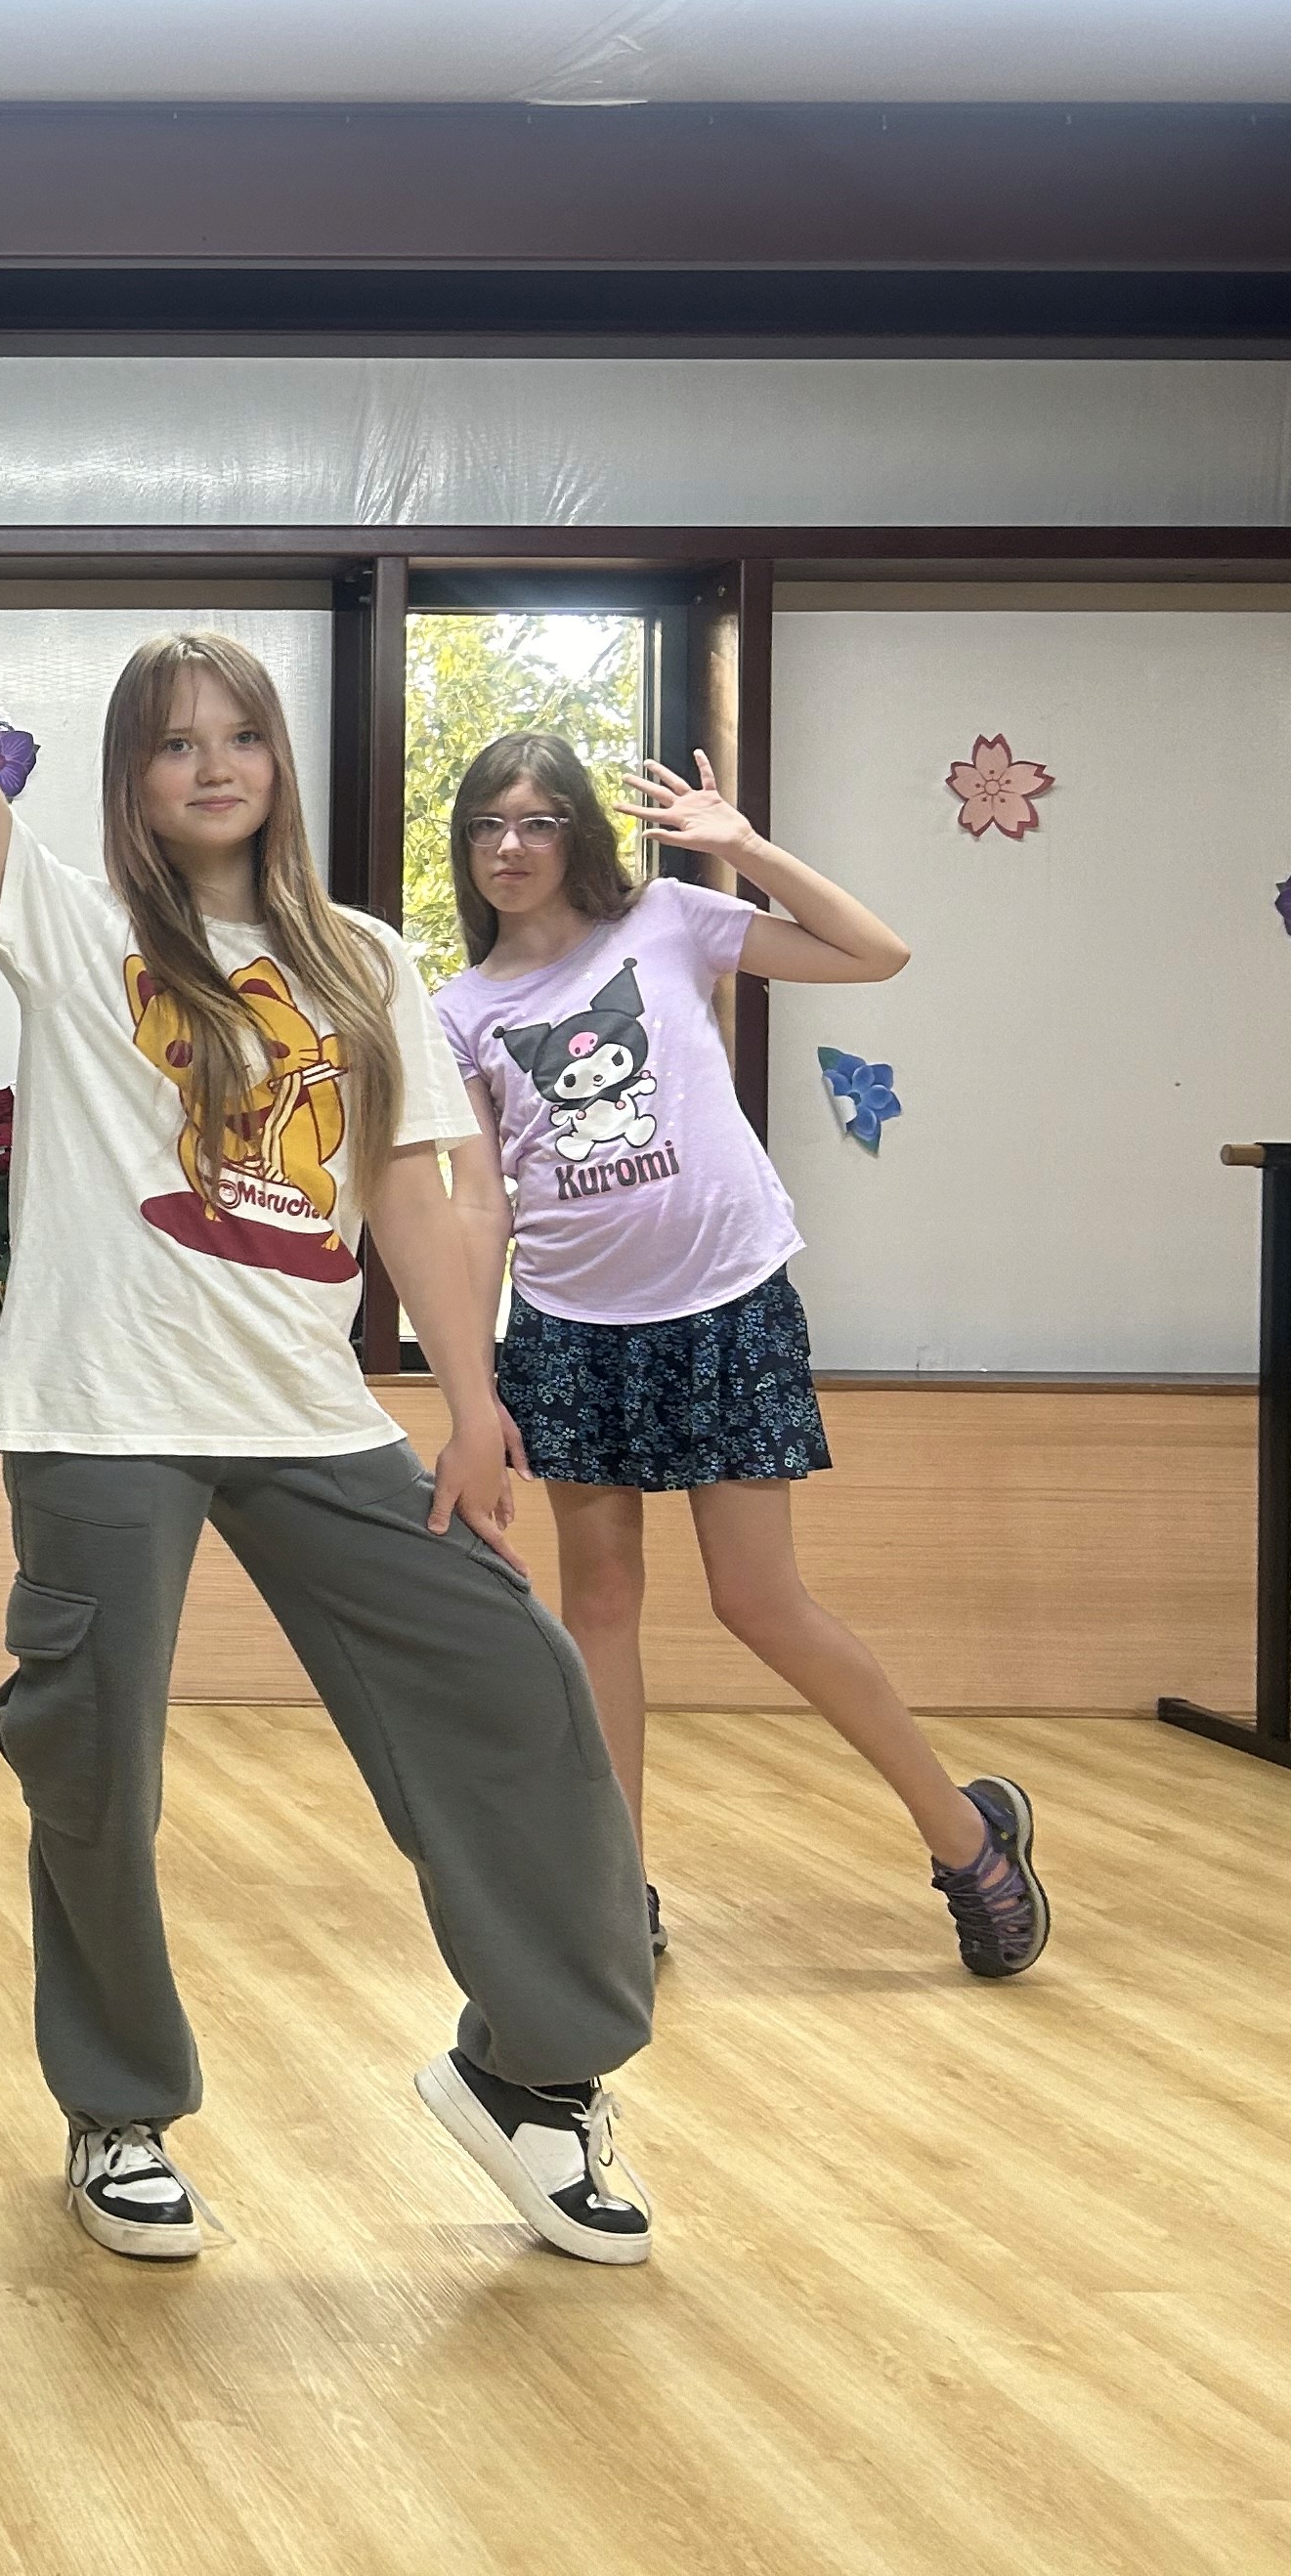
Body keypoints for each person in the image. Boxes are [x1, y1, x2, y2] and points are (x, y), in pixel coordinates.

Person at [0, 507, 659, 2267]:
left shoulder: (366, 957)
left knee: (517, 1687)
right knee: (95, 1771)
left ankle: (532, 2074)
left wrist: (471, 1393)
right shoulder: (66, 929)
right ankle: (118, 2104)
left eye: (238, 732)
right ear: (132, 783)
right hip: (100, 1421)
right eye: (172, 741)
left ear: (277, 759)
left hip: (313, 1421)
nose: (211, 762)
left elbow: (425, 1192)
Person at [435, 735, 1048, 1977]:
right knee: (598, 1608)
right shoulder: (461, 1008)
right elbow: (480, 1201)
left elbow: (877, 954)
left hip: (724, 1302)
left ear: (580, 840)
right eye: (488, 825)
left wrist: (746, 848)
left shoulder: (669, 919)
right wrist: (474, 1382)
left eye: (539, 822)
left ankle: (968, 1836)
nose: (511, 846)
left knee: (758, 1600)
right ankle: (619, 1888)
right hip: (569, 1330)